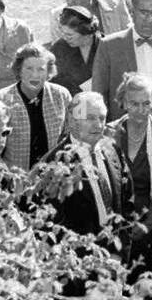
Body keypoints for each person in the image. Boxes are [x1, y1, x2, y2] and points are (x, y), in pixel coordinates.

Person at [106, 73, 152, 253]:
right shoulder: (108, 133)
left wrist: (146, 225)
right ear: (123, 103)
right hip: (112, 224)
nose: (141, 110)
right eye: (134, 104)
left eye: (146, 103)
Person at [45, 90, 129, 238]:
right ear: (72, 121)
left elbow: (127, 201)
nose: (98, 125)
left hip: (115, 251)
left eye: (102, 118)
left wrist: (121, 251)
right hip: (80, 254)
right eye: (90, 118)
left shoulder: (112, 150)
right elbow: (53, 221)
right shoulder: (55, 163)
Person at [0, 43, 70, 171]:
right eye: (29, 68)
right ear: (19, 70)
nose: (35, 75)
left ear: (48, 72)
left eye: (41, 69)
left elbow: (70, 134)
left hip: (52, 176)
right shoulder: (0, 100)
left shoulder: (61, 95)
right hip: (14, 177)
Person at [50, 5, 101, 95]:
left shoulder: (106, 46)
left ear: (86, 33)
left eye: (69, 35)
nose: (65, 38)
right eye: (63, 33)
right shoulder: (59, 48)